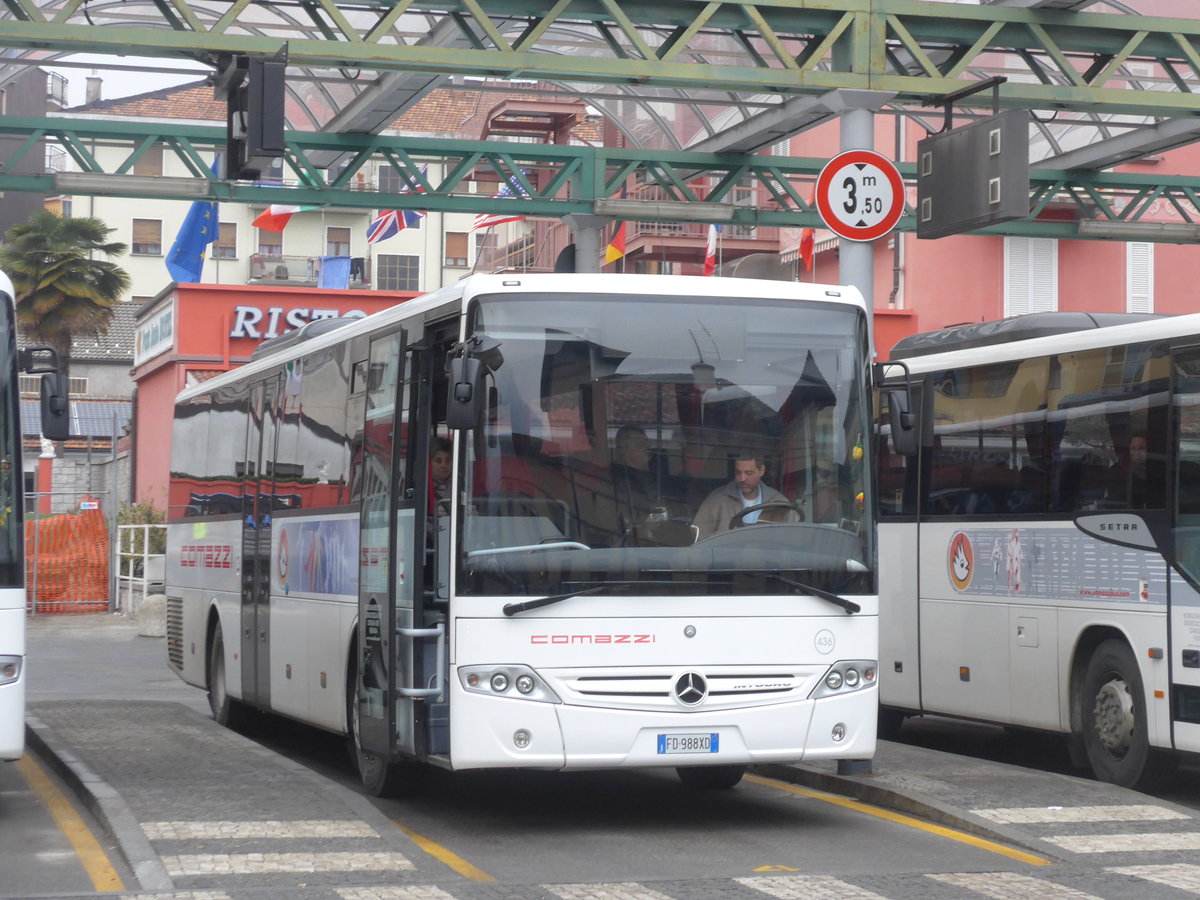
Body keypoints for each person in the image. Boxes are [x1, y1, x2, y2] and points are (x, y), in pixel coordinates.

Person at [692, 450, 799, 540]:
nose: (742, 479)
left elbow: (795, 541)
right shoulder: (717, 500)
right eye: (738, 473)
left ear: (761, 471)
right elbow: (697, 539)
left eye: (749, 473)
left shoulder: (780, 503)